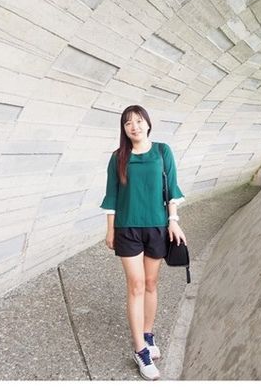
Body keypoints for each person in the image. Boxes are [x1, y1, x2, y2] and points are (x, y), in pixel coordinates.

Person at [101, 105, 186, 381]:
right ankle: (140, 349)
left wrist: (173, 220)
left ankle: (147, 334)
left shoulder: (162, 151)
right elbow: (112, 196)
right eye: (128, 123)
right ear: (124, 130)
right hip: (127, 229)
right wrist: (110, 230)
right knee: (135, 285)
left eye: (138, 121)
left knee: (150, 284)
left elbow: (172, 188)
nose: (134, 127)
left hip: (157, 228)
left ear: (147, 124)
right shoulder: (118, 158)